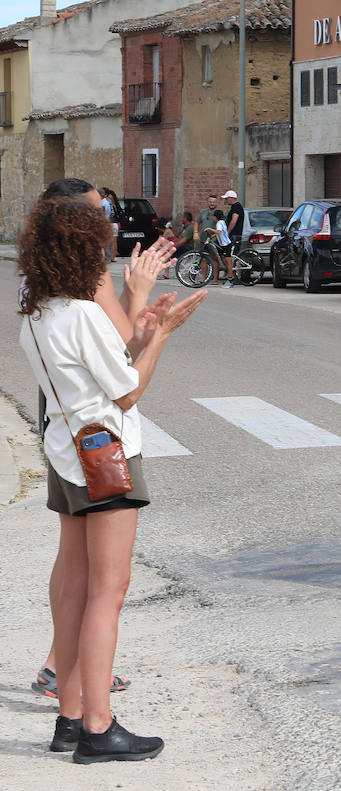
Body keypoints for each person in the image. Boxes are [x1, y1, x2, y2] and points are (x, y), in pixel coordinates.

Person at [18, 195, 205, 762]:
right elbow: (126, 390)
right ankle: (99, 728)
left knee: (77, 590)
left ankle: (69, 719)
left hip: (66, 456)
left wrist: (141, 330)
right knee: (108, 592)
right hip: (106, 461)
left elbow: (107, 366)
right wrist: (165, 332)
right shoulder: (80, 314)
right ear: (82, 251)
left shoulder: (39, 313)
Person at [28, 178, 163, 704]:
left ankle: (64, 684)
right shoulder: (83, 287)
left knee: (73, 564)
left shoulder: (37, 294)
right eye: (97, 214)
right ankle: (92, 710)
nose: (106, 222)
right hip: (99, 437)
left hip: (60, 420)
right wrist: (146, 302)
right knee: (106, 585)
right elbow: (122, 364)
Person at [210, 209, 234, 287]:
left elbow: (219, 232)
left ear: (215, 217)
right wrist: (213, 236)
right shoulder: (222, 222)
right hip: (223, 245)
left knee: (228, 262)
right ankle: (229, 276)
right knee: (223, 260)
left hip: (226, 245)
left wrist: (209, 229)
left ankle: (231, 279)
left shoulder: (219, 223)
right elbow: (222, 232)